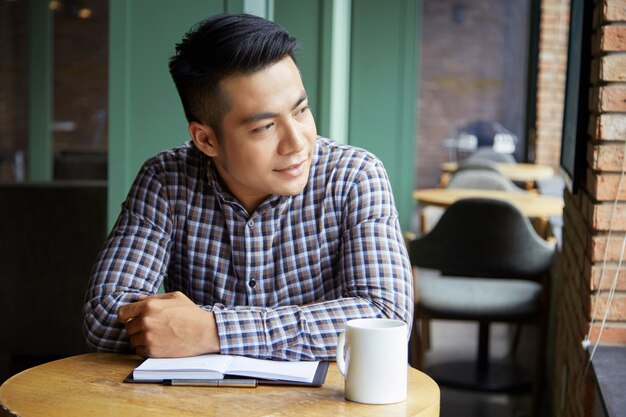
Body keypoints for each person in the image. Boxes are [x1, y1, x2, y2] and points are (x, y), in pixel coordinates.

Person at [83, 13, 413, 361]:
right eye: (265, 127)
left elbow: (387, 317)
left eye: (301, 111)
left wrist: (212, 330)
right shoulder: (166, 180)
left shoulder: (355, 176)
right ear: (206, 139)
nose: (297, 143)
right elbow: (106, 314)